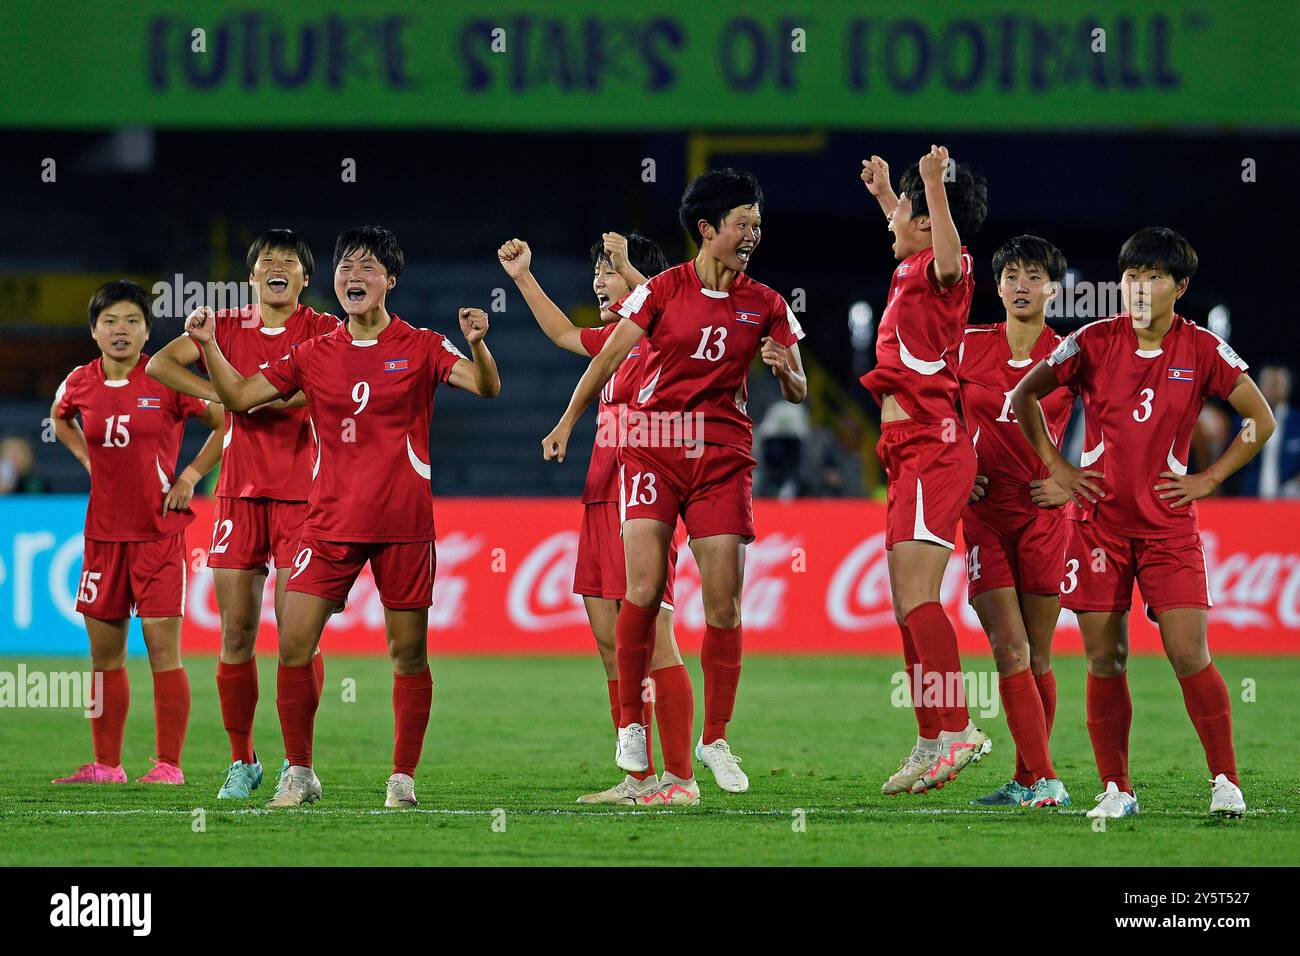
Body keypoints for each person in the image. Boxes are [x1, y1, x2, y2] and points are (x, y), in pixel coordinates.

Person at [188, 226, 500, 809]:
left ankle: (402, 777)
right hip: (328, 522)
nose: (355, 276)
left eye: (368, 267)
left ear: (391, 280)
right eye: (346, 267)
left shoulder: (423, 345)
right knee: (293, 646)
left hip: (403, 524)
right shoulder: (314, 352)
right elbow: (238, 397)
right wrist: (208, 345)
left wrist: (478, 344)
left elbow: (486, 387)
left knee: (408, 654)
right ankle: (300, 772)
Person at [541, 168, 807, 794]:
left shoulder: (768, 304)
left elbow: (797, 387)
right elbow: (606, 358)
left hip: (722, 457)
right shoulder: (661, 290)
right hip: (654, 449)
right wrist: (566, 422)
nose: (752, 236)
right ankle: (632, 725)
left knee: (724, 603)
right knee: (641, 589)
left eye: (758, 226)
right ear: (707, 230)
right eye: (743, 225)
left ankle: (715, 738)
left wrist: (784, 372)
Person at [1010, 226, 1275, 818]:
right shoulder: (1092, 341)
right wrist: (1058, 466)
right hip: (1098, 527)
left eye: (1152, 277)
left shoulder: (1202, 348)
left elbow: (1259, 419)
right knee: (1106, 659)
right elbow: (1023, 396)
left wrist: (1209, 480)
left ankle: (1226, 781)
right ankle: (1117, 789)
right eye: (1130, 276)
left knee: (1188, 652)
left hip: (1168, 531)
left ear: (1179, 287)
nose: (1137, 287)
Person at [498, 232, 699, 805]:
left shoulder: (670, 335)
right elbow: (563, 333)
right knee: (612, 644)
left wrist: (635, 272)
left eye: (608, 270)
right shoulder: (615, 342)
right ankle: (639, 775)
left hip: (646, 495)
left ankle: (680, 780)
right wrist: (523, 278)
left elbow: (673, 306)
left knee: (655, 638)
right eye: (597, 270)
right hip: (599, 495)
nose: (598, 279)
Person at [147, 228, 339, 799]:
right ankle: (243, 760)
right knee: (235, 634)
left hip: (306, 498)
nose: (277, 266)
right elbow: (159, 364)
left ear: (305, 279)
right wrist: (217, 397)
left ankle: (298, 763)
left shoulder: (324, 330)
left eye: (290, 261)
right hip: (237, 496)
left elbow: (319, 391)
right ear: (252, 275)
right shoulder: (224, 327)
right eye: (266, 260)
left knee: (296, 641)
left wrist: (243, 395)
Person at [51, 279, 225, 785]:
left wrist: (190, 477)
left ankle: (168, 765)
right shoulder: (79, 382)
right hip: (103, 538)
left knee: (161, 650)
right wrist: (86, 456)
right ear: (94, 331)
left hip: (157, 536)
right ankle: (107, 766)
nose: (120, 330)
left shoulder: (167, 379)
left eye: (131, 320)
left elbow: (225, 418)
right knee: (104, 656)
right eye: (110, 321)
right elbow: (60, 418)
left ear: (148, 330)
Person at [858, 147, 992, 795]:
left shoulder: (949, 265)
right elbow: (912, 236)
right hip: (907, 450)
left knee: (918, 599)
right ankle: (931, 737)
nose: (891, 222)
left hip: (933, 446)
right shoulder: (912, 263)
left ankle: (961, 728)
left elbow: (943, 249)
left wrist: (932, 186)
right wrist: (890, 192)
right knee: (905, 606)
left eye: (900, 213)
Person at [959, 236, 1074, 809]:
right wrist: (956, 471)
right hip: (984, 514)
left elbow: (1112, 424)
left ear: (1054, 287)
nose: (1022, 284)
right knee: (1010, 650)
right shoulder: (968, 347)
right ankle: (1046, 779)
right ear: (997, 286)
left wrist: (1072, 480)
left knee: (1039, 656)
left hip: (1045, 514)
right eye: (1011, 275)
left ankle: (1029, 779)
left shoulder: (1074, 353)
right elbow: (931, 410)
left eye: (1034, 275)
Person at [1232, 366, 1300, 497]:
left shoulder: (1297, 422)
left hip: (1291, 499)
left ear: (1288, 386)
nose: (1273, 388)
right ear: (1258, 385)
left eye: (1277, 383)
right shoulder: (1246, 419)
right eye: (1268, 383)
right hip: (1250, 498)